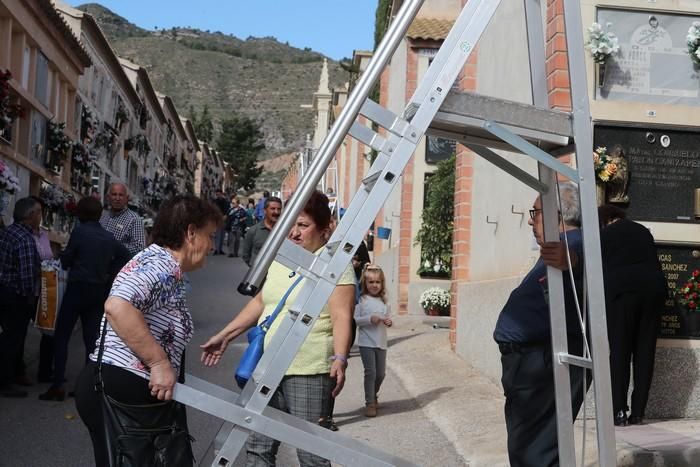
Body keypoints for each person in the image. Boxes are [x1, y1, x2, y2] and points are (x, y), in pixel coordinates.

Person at [201, 190, 355, 467]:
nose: (294, 233)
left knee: (311, 456)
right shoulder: (284, 258)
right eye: (289, 224)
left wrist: (340, 358)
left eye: (303, 225)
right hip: (266, 365)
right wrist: (225, 335)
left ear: (323, 229)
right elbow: (262, 301)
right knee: (258, 448)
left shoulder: (335, 267)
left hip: (307, 370)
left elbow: (342, 315)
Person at [74, 195, 222, 466]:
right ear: (190, 232)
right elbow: (118, 306)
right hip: (122, 390)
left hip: (122, 389)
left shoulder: (162, 264)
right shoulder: (160, 266)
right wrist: (158, 362)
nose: (212, 245)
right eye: (210, 236)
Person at [493, 182, 589, 467]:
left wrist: (575, 261)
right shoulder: (560, 246)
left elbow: (595, 267)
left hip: (543, 360)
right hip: (531, 360)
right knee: (530, 447)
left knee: (534, 451)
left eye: (535, 213)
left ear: (555, 215)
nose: (531, 221)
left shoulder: (576, 245)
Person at [39, 197, 131, 401]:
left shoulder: (80, 232)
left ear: (80, 214)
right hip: (98, 291)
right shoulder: (108, 237)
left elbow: (67, 259)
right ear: (100, 215)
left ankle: (57, 385)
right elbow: (125, 255)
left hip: (77, 288)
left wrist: (63, 257)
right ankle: (87, 386)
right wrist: (109, 273)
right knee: (91, 339)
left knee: (62, 335)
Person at [598, 205, 665, 426]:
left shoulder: (605, 234)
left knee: (620, 352)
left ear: (605, 220)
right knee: (645, 351)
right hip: (653, 292)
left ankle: (618, 410)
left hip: (623, 293)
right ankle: (638, 412)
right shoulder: (642, 230)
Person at [0, 197, 42, 398]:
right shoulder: (24, 239)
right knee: (12, 339)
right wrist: (31, 299)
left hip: (4, 290)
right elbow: (27, 276)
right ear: (31, 216)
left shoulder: (8, 232)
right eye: (39, 212)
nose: (41, 217)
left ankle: (17, 372)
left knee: (11, 336)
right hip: (16, 296)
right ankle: (5, 381)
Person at [354, 264, 392, 417]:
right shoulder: (361, 300)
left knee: (381, 374)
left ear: (382, 284)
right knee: (371, 373)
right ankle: (370, 403)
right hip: (366, 343)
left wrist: (389, 322)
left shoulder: (385, 302)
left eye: (378, 282)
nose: (374, 285)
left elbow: (387, 318)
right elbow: (355, 320)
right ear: (365, 283)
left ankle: (373, 394)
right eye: (371, 282)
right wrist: (370, 318)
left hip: (381, 343)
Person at [100, 182, 146, 257]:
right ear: (108, 197)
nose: (117, 198)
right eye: (114, 194)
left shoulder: (134, 219)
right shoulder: (103, 215)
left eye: (121, 195)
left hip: (119, 266)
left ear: (126, 198)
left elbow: (139, 248)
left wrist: (114, 247)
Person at [241, 196, 282, 266]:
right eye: (273, 209)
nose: (276, 212)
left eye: (279, 209)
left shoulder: (284, 231)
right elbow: (246, 255)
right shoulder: (253, 231)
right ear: (264, 211)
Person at [212, 191, 230, 255]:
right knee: (217, 235)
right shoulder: (215, 202)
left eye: (219, 194)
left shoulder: (226, 202)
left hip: (224, 219)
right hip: (217, 220)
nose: (218, 195)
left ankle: (220, 249)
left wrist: (226, 216)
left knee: (222, 235)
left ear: (222, 194)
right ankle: (217, 249)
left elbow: (228, 210)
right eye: (217, 194)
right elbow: (213, 210)